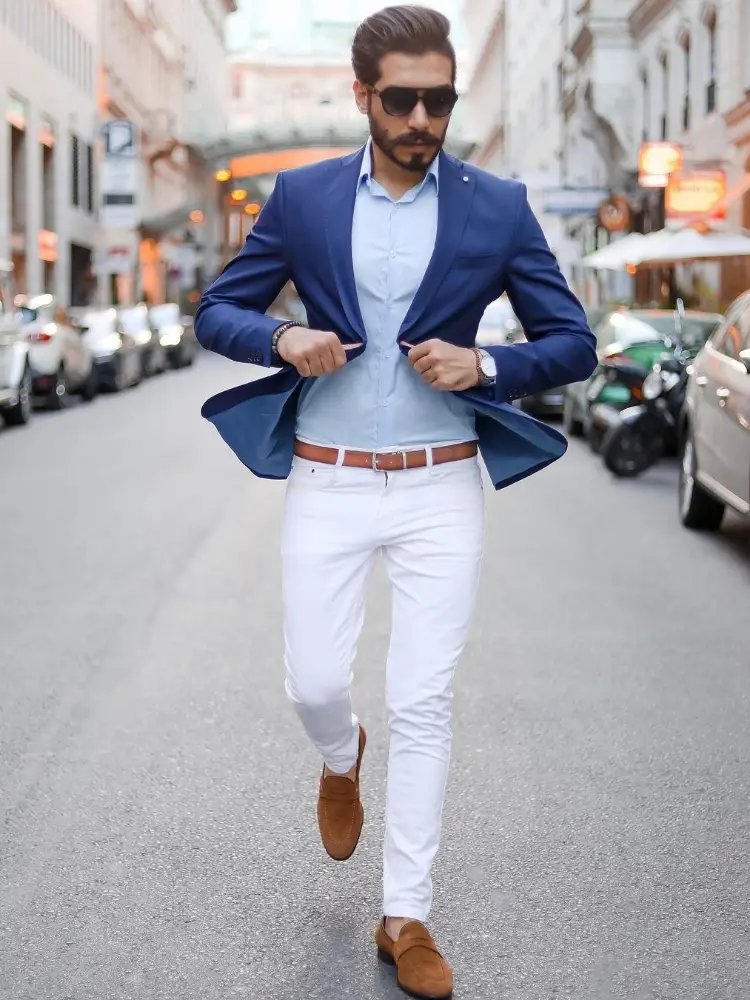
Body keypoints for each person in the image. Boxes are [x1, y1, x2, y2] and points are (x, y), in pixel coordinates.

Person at [194, 6, 596, 997]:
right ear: (363, 95)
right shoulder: (304, 198)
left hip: (439, 485)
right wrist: (282, 339)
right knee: (315, 683)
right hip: (328, 476)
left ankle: (406, 912)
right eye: (404, 98)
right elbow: (216, 309)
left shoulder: (497, 206)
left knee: (425, 701)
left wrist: (490, 359)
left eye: (441, 98)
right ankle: (340, 753)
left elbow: (575, 342)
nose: (425, 117)